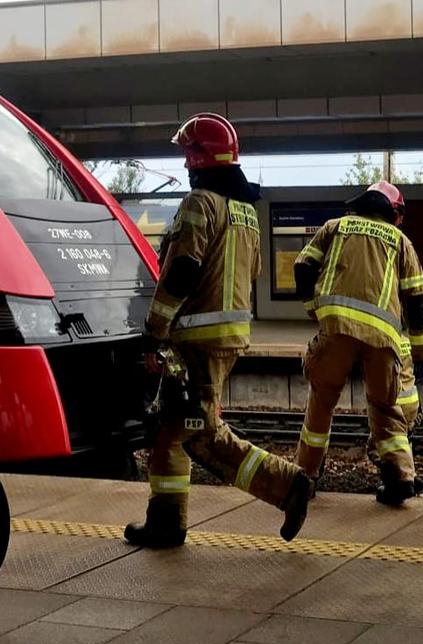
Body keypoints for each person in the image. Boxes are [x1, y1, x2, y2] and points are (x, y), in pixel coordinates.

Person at [127, 113, 313, 548]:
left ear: (198, 157)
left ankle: (172, 522)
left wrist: (155, 330)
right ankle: (283, 489)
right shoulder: (247, 213)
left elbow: (183, 270)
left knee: (178, 431)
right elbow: (254, 272)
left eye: (187, 155)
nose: (185, 165)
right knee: (193, 430)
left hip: (194, 337)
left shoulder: (199, 203)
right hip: (227, 337)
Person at [293, 181, 423, 507]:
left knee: (321, 403)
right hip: (383, 338)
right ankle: (401, 477)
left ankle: (305, 478)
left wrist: (314, 308)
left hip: (336, 330)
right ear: (393, 212)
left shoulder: (335, 227)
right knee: (386, 409)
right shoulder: (402, 242)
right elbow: (416, 302)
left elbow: (302, 266)